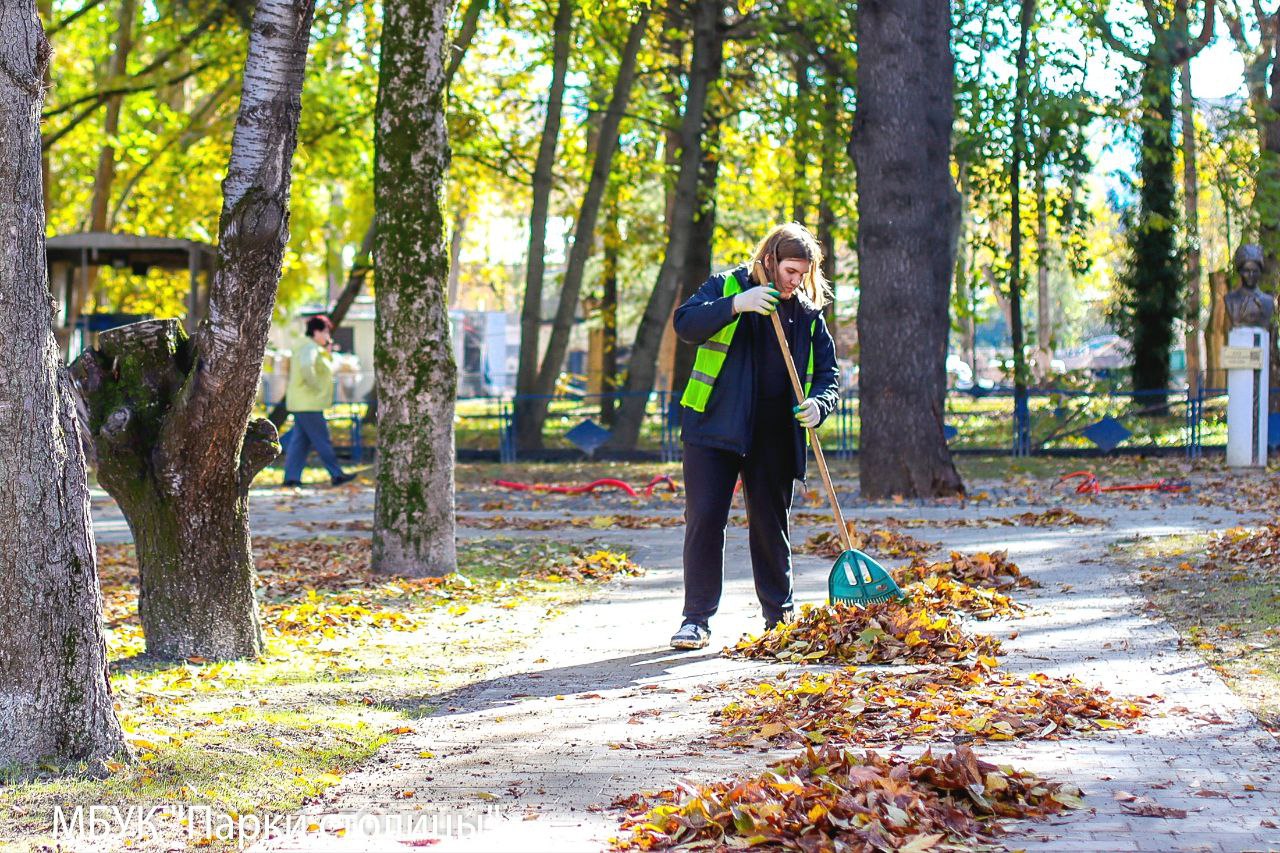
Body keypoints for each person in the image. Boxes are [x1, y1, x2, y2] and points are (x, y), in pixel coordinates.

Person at [668, 223, 840, 650]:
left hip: (774, 435)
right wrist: (736, 305)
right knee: (705, 520)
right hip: (714, 428)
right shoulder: (726, 285)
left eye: (802, 273)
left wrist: (820, 405)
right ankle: (696, 620)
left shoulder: (806, 313)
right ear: (768, 260)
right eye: (788, 271)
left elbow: (828, 376)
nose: (794, 281)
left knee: (770, 526)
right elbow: (685, 324)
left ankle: (779, 620)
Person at [282, 315, 357, 487]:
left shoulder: (310, 347)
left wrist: (327, 353)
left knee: (300, 442)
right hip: (308, 403)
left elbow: (324, 367)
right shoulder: (309, 347)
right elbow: (307, 367)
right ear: (316, 332)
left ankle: (291, 478)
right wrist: (315, 386)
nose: (328, 335)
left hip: (304, 403)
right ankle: (336, 474)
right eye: (325, 331)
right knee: (322, 440)